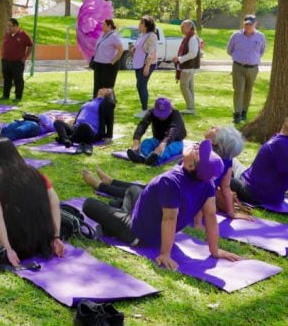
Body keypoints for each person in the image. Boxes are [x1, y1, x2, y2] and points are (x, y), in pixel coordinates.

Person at [82, 140, 242, 270]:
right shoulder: (206, 182)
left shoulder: (171, 182)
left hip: (138, 233)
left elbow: (170, 219)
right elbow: (211, 216)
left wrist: (165, 254)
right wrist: (214, 250)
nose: (196, 147)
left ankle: (111, 214)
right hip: (147, 220)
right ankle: (114, 204)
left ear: (191, 166)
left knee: (89, 204)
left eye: (198, 152)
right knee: (133, 189)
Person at [230, 117, 288, 220]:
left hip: (253, 193)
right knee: (231, 159)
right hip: (253, 182)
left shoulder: (281, 144)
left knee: (220, 172)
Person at [202, 126, 250, 220]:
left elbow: (226, 187)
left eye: (216, 130)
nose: (214, 127)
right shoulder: (227, 160)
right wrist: (231, 212)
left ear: (214, 142)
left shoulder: (204, 155)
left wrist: (231, 212)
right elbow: (226, 187)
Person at [227, 14, 266, 124]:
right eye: (246, 24)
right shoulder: (236, 35)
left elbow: (262, 51)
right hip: (238, 66)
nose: (248, 26)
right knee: (239, 90)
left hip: (253, 68)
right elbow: (229, 50)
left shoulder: (261, 36)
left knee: (248, 91)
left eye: (250, 24)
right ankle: (237, 113)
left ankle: (244, 110)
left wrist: (252, 59)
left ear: (255, 24)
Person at [53, 88, 116, 155]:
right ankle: (65, 140)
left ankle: (68, 139)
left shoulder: (106, 103)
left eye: (106, 89)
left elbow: (110, 120)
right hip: (75, 129)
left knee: (84, 125)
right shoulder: (91, 101)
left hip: (90, 132)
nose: (103, 88)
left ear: (109, 94)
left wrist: (109, 136)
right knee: (57, 122)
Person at [126, 97, 187, 166]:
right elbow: (142, 125)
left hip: (175, 141)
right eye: (159, 114)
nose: (161, 117)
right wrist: (136, 140)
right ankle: (142, 156)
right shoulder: (151, 112)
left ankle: (155, 159)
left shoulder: (176, 114)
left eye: (164, 114)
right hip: (157, 139)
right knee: (147, 142)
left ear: (170, 110)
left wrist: (163, 144)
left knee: (167, 149)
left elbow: (172, 130)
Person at [0, 18, 33, 103]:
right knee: (7, 79)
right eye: (8, 26)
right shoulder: (7, 34)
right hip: (6, 61)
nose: (9, 28)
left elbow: (30, 46)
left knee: (18, 80)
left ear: (16, 26)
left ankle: (18, 96)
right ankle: (5, 95)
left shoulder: (23, 35)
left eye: (10, 26)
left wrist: (25, 58)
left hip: (17, 62)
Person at [131, 15, 158, 117]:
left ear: (146, 26)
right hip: (138, 64)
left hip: (146, 64)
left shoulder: (151, 36)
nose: (139, 24)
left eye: (141, 23)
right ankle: (144, 109)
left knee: (141, 85)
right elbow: (139, 48)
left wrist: (147, 66)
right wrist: (133, 49)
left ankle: (145, 110)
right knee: (140, 85)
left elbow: (152, 51)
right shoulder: (141, 35)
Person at [172, 20, 200, 115]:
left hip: (189, 66)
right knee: (189, 86)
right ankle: (191, 106)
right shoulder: (189, 37)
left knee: (184, 85)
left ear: (189, 27)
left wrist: (179, 59)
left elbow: (193, 53)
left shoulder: (192, 38)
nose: (181, 28)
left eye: (183, 26)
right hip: (189, 66)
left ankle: (190, 107)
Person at [91, 19, 124, 97]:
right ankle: (96, 102)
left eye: (104, 25)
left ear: (109, 26)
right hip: (98, 64)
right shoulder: (102, 35)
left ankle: (108, 103)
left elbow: (121, 49)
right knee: (97, 85)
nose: (102, 26)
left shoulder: (113, 36)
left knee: (107, 86)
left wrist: (114, 60)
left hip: (107, 65)